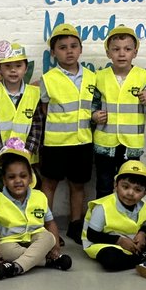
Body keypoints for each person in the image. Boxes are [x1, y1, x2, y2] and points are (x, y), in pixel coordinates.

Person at [90, 26, 146, 199]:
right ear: (108, 53)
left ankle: (126, 222)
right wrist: (94, 115)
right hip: (104, 145)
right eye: (116, 49)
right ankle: (102, 223)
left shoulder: (145, 77)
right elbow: (91, 104)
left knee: (130, 188)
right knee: (103, 186)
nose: (122, 54)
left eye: (127, 49)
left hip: (131, 146)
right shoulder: (99, 77)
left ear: (135, 52)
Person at [37, 24, 94, 244]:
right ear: (53, 52)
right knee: (49, 184)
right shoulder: (48, 79)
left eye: (73, 46)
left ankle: (75, 225)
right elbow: (44, 109)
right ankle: (45, 226)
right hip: (56, 143)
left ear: (80, 49)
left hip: (82, 142)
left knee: (78, 185)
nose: (68, 51)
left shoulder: (91, 77)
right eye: (62, 47)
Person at [0, 138, 72, 280]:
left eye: (23, 176)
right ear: (4, 180)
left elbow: (50, 223)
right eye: (11, 177)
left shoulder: (40, 197)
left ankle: (16, 267)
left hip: (36, 235)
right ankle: (48, 261)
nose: (18, 181)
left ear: (31, 178)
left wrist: (55, 245)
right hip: (10, 240)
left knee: (48, 238)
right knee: (5, 251)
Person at [82, 160, 146, 284]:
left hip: (134, 245)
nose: (130, 193)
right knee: (109, 259)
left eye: (137, 190)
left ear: (145, 193)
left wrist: (142, 235)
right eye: (125, 187)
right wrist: (119, 240)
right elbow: (92, 236)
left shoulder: (143, 206)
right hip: (106, 243)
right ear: (115, 185)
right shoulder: (102, 207)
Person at [0, 40, 45, 202]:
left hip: (27, 158)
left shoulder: (34, 93)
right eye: (7, 66)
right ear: (0, 69)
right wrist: (2, 152)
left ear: (25, 68)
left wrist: (28, 151)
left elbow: (37, 127)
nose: (13, 70)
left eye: (18, 66)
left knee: (27, 196)